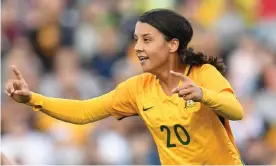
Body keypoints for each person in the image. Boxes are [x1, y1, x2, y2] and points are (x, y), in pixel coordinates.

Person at [5, 9, 244, 165]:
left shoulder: (203, 73)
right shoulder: (137, 88)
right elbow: (84, 112)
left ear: (172, 44)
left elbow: (236, 111)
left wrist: (204, 95)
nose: (138, 47)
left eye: (147, 39)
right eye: (136, 39)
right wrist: (32, 99)